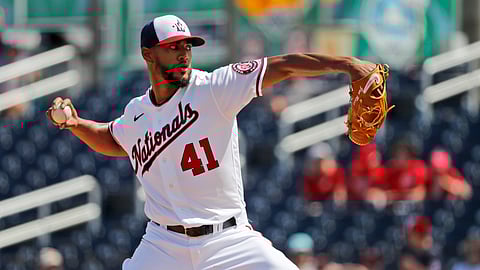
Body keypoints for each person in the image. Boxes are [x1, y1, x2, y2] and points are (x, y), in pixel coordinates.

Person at [46, 15, 380, 270]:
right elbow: (111, 138)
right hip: (163, 245)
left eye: (187, 46)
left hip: (229, 239)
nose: (183, 54)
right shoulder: (137, 113)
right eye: (173, 47)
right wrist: (75, 124)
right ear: (149, 54)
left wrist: (345, 65)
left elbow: (284, 67)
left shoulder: (214, 87)